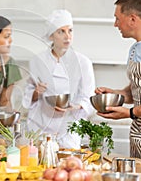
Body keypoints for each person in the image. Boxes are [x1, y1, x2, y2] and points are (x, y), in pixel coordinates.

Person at [95, 0, 141, 164]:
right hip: (139, 138)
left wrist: (130, 112)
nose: (115, 24)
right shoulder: (135, 49)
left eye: (117, 18)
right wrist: (118, 94)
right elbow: (140, 88)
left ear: (132, 19)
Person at [22, 10, 95, 149]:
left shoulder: (83, 63)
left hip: (69, 129)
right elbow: (28, 93)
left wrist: (74, 106)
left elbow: (88, 96)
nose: (67, 36)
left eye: (70, 31)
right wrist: (36, 92)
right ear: (51, 36)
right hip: (40, 127)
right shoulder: (37, 61)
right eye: (61, 31)